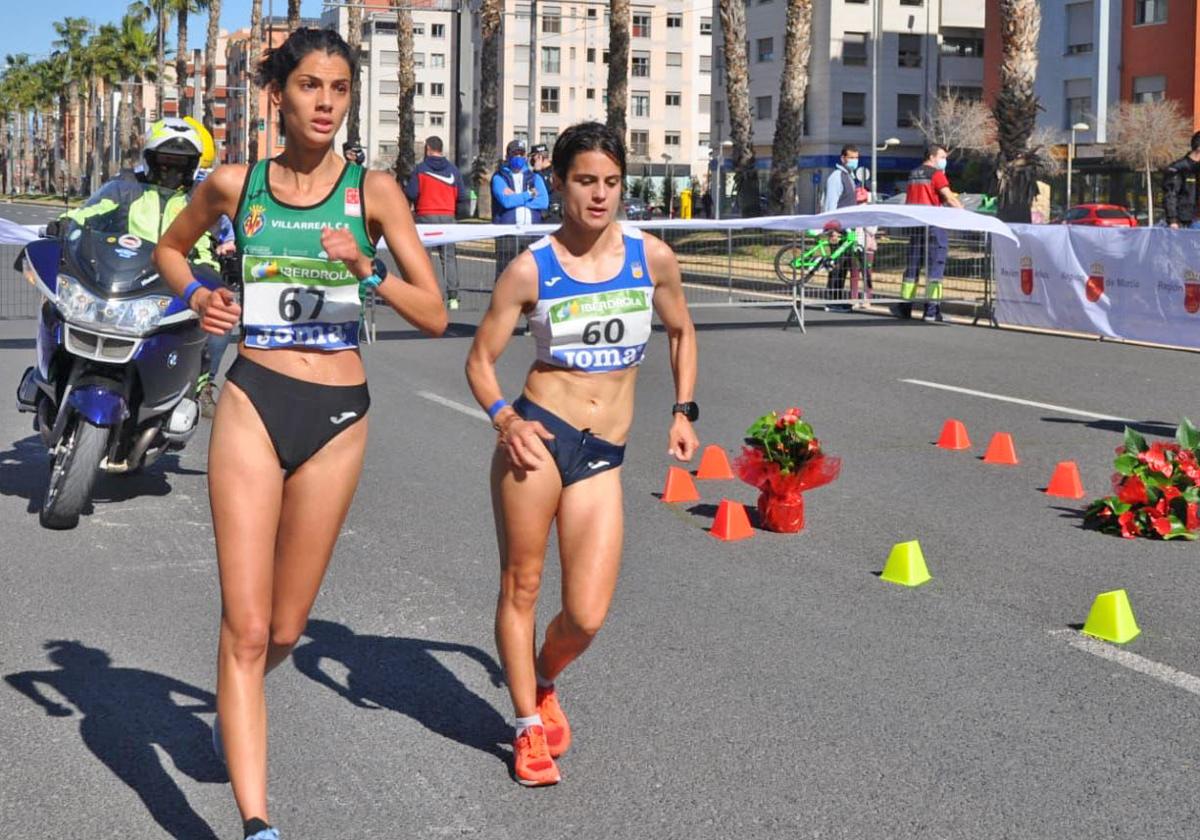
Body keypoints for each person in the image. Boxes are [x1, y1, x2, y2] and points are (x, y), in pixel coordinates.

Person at [153, 27, 446, 840]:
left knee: (285, 628)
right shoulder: (235, 184)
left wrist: (367, 267)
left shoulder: (374, 192)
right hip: (254, 398)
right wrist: (201, 296)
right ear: (277, 96)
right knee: (245, 627)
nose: (325, 103)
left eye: (340, 88)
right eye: (311, 86)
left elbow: (435, 315)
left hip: (338, 418)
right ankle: (257, 824)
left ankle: (234, 695)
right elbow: (171, 250)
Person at [465, 121, 700, 787]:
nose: (599, 195)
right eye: (585, 181)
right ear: (558, 184)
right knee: (523, 586)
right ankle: (525, 727)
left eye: (610, 183)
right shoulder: (529, 269)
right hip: (537, 441)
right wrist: (504, 418)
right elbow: (480, 361)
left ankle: (542, 676)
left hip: (604, 453)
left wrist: (683, 409)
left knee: (587, 614)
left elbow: (682, 331)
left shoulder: (650, 258)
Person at [59, 118, 218, 275]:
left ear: (192, 164)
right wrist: (66, 223)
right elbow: (94, 210)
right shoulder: (127, 187)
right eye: (165, 159)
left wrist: (208, 268)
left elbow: (204, 241)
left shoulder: (195, 198)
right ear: (150, 158)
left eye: (181, 161)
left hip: (172, 281)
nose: (172, 168)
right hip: (121, 274)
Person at [891, 143, 962, 321]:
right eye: (943, 157)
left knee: (912, 268)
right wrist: (963, 213)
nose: (945, 161)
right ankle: (931, 310)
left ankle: (904, 307)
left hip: (916, 225)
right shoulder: (936, 174)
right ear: (932, 157)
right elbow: (949, 197)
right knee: (935, 268)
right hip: (934, 226)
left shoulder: (913, 174)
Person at [405, 135, 469, 310]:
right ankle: (453, 297)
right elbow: (462, 196)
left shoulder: (420, 169)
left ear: (427, 149)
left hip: (425, 217)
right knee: (448, 258)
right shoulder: (453, 170)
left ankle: (427, 294)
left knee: (424, 259)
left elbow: (411, 193)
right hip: (448, 218)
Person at [491, 138, 549, 281]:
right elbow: (506, 202)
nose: (518, 157)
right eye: (514, 153)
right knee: (505, 274)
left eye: (521, 154)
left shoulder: (535, 177)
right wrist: (528, 195)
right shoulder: (499, 177)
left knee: (532, 274)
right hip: (507, 234)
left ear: (525, 156)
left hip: (531, 233)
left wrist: (518, 200)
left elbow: (543, 202)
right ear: (507, 156)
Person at [821, 144, 860, 312]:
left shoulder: (849, 176)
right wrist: (832, 229)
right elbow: (831, 204)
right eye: (851, 158)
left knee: (844, 265)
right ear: (843, 158)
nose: (854, 161)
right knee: (837, 264)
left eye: (856, 158)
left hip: (847, 229)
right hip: (838, 229)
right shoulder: (837, 177)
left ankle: (837, 298)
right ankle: (832, 300)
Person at [1164, 131, 1200, 230]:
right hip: (1183, 222)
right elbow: (1171, 195)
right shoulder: (1178, 169)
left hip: (1196, 219)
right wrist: (1173, 220)